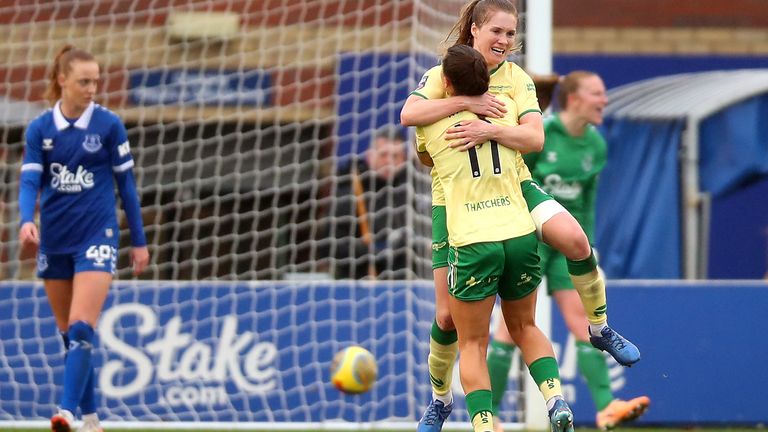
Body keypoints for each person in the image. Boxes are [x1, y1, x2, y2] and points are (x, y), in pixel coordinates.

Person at [400, 1, 639, 431]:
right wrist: (468, 104)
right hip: (452, 202)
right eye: (497, 31)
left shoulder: (517, 80)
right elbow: (410, 116)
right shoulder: (443, 77)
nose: (504, 42)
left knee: (578, 241)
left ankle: (600, 328)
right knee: (446, 318)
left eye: (511, 34)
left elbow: (534, 137)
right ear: (474, 30)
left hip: (515, 187)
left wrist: (489, 128)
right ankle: (439, 400)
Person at [416, 44, 574, 432]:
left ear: (446, 84)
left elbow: (425, 155)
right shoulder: (505, 112)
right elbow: (532, 139)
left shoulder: (430, 125)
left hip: (472, 239)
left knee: (473, 344)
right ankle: (555, 398)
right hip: (519, 235)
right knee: (525, 327)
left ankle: (484, 425)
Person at [488, 71, 650, 431]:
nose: (604, 101)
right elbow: (515, 182)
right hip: (531, 239)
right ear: (574, 98)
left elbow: (588, 200)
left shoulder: (596, 145)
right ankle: (492, 417)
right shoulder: (540, 134)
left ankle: (607, 407)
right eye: (597, 93)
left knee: (584, 322)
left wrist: (588, 248)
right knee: (508, 328)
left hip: (568, 248)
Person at [18, 45, 149, 432]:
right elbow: (29, 181)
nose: (93, 88)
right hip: (56, 240)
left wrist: (138, 241)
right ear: (63, 81)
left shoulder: (108, 125)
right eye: (84, 81)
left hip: (97, 235)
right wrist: (27, 220)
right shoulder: (40, 129)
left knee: (81, 327)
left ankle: (67, 412)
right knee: (70, 338)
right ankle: (91, 422)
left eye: (96, 81)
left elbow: (127, 187)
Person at [327, 125, 411, 279]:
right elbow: (331, 244)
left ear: (404, 158)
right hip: (357, 282)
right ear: (370, 156)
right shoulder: (351, 187)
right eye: (383, 155)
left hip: (404, 282)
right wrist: (368, 251)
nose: (389, 162)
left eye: (395, 156)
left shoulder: (412, 189)